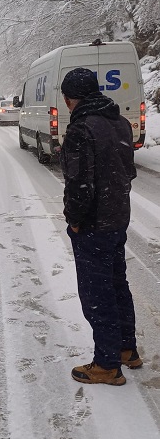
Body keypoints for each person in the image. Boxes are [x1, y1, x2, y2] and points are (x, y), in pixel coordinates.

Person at [60, 67, 142, 386]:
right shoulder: (119, 122)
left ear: (72, 99)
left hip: (93, 225)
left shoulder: (82, 129)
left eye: (67, 99)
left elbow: (79, 184)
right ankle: (125, 349)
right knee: (117, 284)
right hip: (118, 218)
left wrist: (76, 221)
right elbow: (129, 172)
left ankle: (107, 364)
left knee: (97, 292)